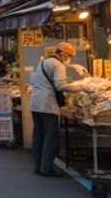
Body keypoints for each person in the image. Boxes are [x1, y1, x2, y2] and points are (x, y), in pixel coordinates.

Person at [30, 42, 85, 176]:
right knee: (51, 137)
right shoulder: (58, 64)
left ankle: (38, 166)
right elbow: (60, 86)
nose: (69, 58)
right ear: (63, 53)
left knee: (39, 135)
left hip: (36, 103)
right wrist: (82, 86)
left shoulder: (43, 62)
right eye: (70, 55)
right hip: (47, 104)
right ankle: (46, 168)